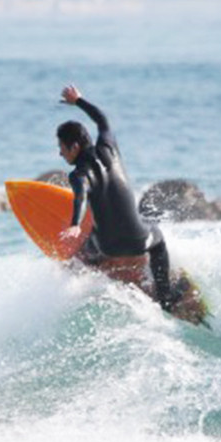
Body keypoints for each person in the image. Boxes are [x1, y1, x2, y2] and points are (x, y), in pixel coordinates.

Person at [56, 84, 177, 312]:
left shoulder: (79, 174)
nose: (60, 153)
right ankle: (165, 297)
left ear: (74, 147)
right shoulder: (108, 147)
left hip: (109, 247)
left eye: (62, 148)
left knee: (81, 253)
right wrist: (79, 101)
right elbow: (102, 120)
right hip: (141, 240)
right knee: (158, 239)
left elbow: (80, 195)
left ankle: (89, 288)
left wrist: (74, 224)